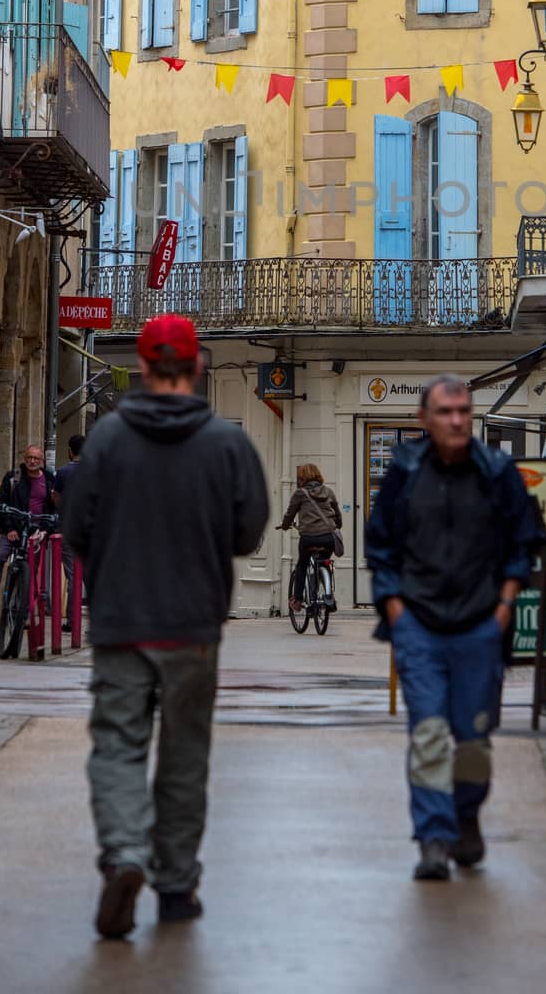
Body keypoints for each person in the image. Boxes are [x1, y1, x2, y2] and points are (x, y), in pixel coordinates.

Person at [62, 314, 269, 941]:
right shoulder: (228, 445)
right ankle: (176, 887)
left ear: (144, 367)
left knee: (118, 746)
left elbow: (75, 532)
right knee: (185, 756)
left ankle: (124, 853)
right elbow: (248, 533)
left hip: (123, 621)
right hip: (192, 626)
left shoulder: (105, 440)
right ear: (197, 368)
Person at [365, 375, 543, 883]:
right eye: (445, 412)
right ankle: (434, 838)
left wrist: (504, 608)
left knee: (472, 739)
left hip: (479, 626)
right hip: (418, 624)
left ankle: (466, 814)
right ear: (424, 419)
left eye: (464, 410)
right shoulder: (404, 471)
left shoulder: (496, 471)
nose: (457, 420)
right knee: (428, 733)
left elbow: (522, 543)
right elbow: (380, 546)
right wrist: (395, 608)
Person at [0, 445, 57, 605]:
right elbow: (2, 503)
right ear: (24, 459)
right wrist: (9, 528)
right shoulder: (13, 477)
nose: (32, 461)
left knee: (30, 569)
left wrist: (44, 530)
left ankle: (22, 609)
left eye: (36, 458)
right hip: (14, 528)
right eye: (29, 457)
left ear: (42, 461)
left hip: (36, 532)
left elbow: (53, 509)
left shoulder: (49, 480)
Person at [279, 463, 342, 611]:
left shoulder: (300, 494)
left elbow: (290, 514)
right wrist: (338, 525)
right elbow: (338, 515)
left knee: (302, 565)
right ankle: (328, 595)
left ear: (302, 478)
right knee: (325, 561)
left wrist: (285, 525)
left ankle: (298, 600)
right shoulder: (329, 491)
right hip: (328, 537)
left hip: (308, 538)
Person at [52, 433, 85, 629]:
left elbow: (56, 498)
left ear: (70, 451)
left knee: (73, 575)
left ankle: (73, 621)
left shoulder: (63, 472)